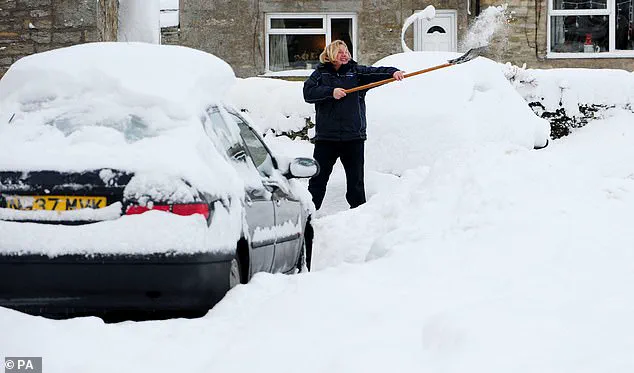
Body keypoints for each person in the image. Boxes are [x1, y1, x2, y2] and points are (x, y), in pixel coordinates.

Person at [303, 40, 405, 210]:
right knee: (318, 180)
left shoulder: (356, 72)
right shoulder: (320, 74)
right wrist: (330, 92)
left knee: (356, 181)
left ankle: (358, 215)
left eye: (347, 52)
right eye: (340, 52)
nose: (345, 55)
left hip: (353, 138)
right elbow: (308, 92)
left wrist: (393, 73)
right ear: (330, 55)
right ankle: (309, 213)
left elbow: (377, 72)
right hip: (326, 138)